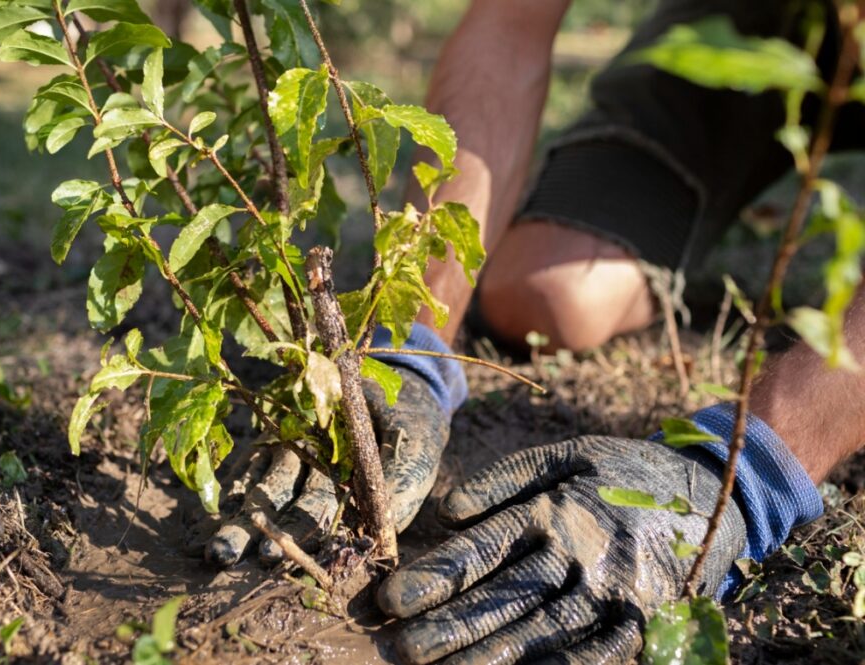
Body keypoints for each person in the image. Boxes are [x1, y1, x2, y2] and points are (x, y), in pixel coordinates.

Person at [198, 1, 863, 663]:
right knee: (547, 295)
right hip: (751, 30)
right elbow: (506, 28)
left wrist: (750, 470)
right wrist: (409, 340)